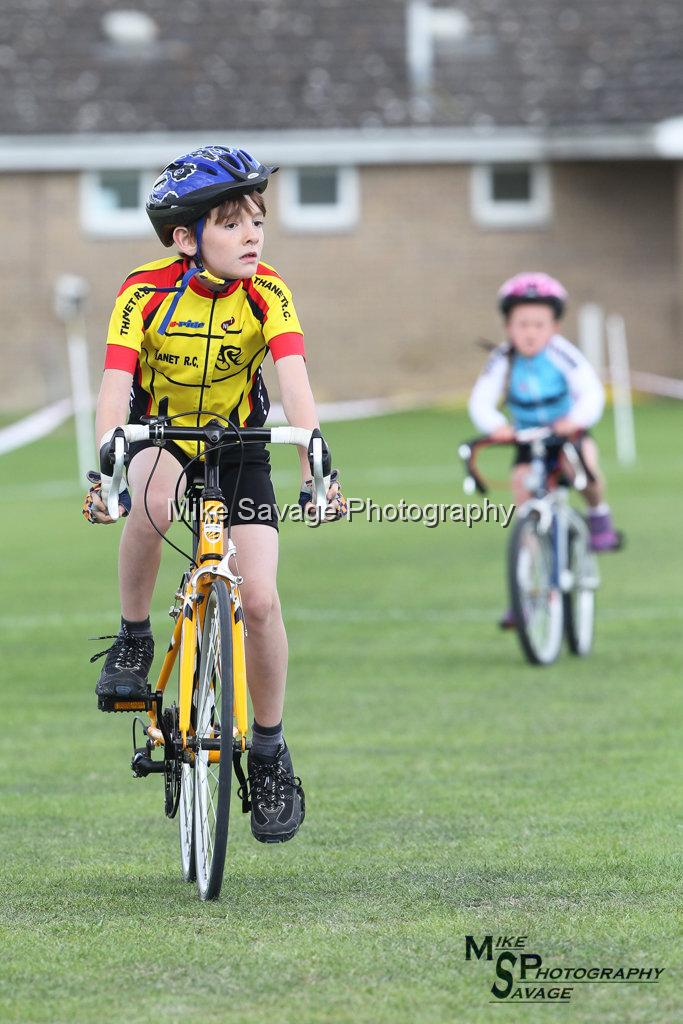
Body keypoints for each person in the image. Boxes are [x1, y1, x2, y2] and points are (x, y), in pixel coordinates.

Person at [82, 145, 345, 843]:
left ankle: (268, 750)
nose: (252, 234)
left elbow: (295, 384)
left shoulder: (269, 293)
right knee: (154, 502)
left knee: (258, 598)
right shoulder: (142, 291)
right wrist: (106, 459)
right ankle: (135, 639)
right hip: (160, 433)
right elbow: (114, 385)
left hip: (239, 446)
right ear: (185, 237)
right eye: (230, 223)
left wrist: (316, 459)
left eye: (256, 219)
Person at [468, 272, 622, 628]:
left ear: (554, 326)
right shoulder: (502, 360)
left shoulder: (564, 356)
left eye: (539, 324)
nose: (530, 332)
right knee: (524, 502)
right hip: (527, 440)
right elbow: (481, 401)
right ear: (508, 326)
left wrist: (575, 420)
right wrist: (497, 427)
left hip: (566, 434)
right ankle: (525, 596)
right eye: (522, 324)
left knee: (582, 469)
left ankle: (599, 515)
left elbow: (591, 393)